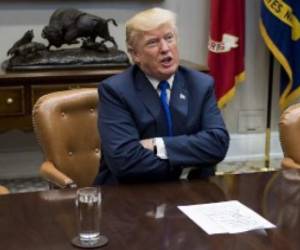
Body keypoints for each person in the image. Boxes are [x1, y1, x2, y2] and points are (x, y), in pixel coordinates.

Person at [93, 7, 229, 185]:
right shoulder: (116, 91)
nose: (165, 49)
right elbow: (124, 162)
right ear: (136, 55)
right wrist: (187, 163)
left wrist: (158, 145)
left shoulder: (201, 84)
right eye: (152, 43)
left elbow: (218, 144)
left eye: (169, 38)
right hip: (130, 195)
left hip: (193, 192)